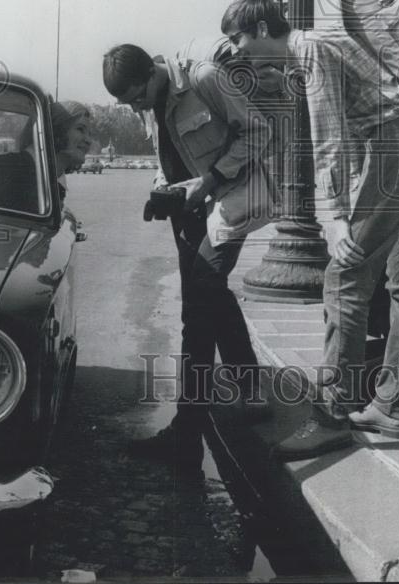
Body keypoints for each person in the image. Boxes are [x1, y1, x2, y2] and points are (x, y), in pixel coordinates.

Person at [220, 0, 399, 458]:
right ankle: (391, 406)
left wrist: (337, 216)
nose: (235, 49)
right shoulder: (319, 45)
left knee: (344, 278)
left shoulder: (311, 50)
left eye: (237, 37)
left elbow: (330, 136)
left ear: (261, 29)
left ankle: (330, 417)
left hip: (398, 149)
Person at [102, 43, 272, 480]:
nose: (136, 107)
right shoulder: (145, 100)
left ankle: (187, 431)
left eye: (137, 98)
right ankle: (247, 384)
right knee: (204, 300)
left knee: (199, 305)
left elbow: (258, 132)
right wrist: (162, 191)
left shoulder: (204, 79)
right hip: (189, 210)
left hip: (230, 201)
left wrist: (211, 179)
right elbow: (167, 159)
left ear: (151, 75)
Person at [0, 100, 91, 212]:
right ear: (55, 129)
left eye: (89, 134)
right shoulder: (3, 168)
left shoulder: (56, 183)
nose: (88, 140)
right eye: (80, 129)